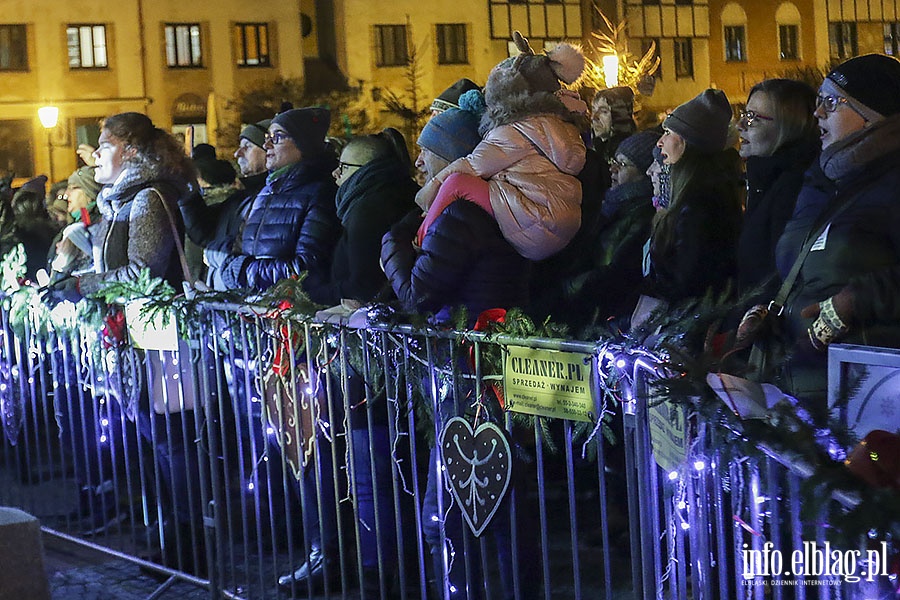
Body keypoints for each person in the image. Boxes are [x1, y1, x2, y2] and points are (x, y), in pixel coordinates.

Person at [381, 94, 536, 600]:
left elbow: (420, 292)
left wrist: (393, 242)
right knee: (478, 511)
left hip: (469, 373)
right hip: (468, 369)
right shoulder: (462, 208)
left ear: (451, 158)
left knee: (456, 514)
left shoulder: (462, 215)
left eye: (428, 151)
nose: (419, 161)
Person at [283, 129, 418, 594]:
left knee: (370, 471)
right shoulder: (373, 201)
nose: (335, 175)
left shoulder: (367, 210)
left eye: (343, 168)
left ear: (364, 171)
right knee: (374, 469)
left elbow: (353, 286)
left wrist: (311, 286)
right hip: (369, 363)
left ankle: (382, 573)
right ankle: (382, 567)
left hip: (369, 365)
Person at [764, 54, 900, 407]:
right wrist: (769, 310)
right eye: (817, 101)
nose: (817, 113)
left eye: (831, 102)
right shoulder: (831, 181)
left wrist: (852, 303)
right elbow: (807, 271)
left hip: (872, 404)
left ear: (872, 114)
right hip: (811, 393)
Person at [414, 32, 586, 261]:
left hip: (536, 220)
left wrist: (428, 194)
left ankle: (420, 239)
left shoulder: (515, 130)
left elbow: (471, 166)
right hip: (560, 220)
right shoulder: (560, 127)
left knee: (457, 182)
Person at [212, 108, 340, 292]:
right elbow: (239, 250)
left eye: (277, 137)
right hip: (257, 313)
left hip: (290, 314)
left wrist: (242, 272)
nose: (267, 145)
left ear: (303, 143)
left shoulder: (320, 194)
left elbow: (306, 270)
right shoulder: (266, 192)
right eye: (267, 137)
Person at [552, 129, 660, 330]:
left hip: (606, 316)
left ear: (646, 173)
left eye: (624, 164)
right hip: (588, 308)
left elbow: (617, 271)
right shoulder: (612, 206)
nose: (613, 169)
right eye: (614, 160)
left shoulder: (644, 215)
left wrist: (563, 289)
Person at [644, 89, 742, 307]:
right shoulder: (698, 194)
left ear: (688, 141)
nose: (660, 142)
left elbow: (687, 280)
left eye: (668, 133)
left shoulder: (700, 202)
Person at [736, 79, 818, 302]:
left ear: (788, 126)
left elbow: (776, 275)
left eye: (753, 118)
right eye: (744, 114)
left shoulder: (794, 187)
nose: (740, 125)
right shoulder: (765, 178)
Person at [179, 119, 271, 290]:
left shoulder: (269, 198)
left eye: (248, 146)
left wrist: (211, 254)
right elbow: (204, 232)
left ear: (270, 151)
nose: (237, 153)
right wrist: (188, 192)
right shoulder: (241, 198)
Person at [47, 166, 103, 283]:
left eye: (73, 188)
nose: (67, 194)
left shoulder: (96, 225)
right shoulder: (76, 222)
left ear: (88, 192)